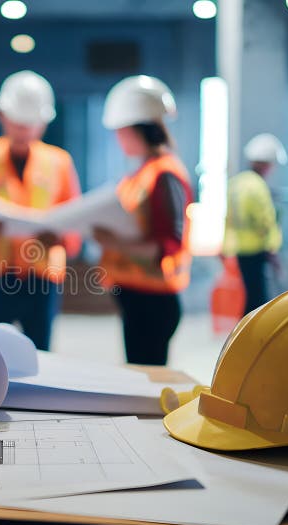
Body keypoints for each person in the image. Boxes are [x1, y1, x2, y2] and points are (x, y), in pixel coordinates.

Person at [0, 71, 82, 350]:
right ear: (2, 116)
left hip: (41, 280)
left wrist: (60, 239)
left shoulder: (60, 163)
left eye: (31, 123)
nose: (24, 130)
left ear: (44, 123)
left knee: (40, 358)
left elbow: (75, 225)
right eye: (19, 122)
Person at [92, 75, 193, 366]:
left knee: (147, 383)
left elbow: (168, 245)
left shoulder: (165, 174)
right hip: (137, 298)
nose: (118, 138)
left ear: (138, 129)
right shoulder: (142, 173)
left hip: (154, 302)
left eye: (120, 131)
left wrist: (115, 242)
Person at [223, 133, 286, 315]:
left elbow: (228, 218)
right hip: (258, 249)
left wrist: (225, 246)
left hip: (240, 248)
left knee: (251, 296)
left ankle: (246, 335)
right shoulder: (258, 186)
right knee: (258, 300)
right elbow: (265, 222)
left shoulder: (236, 183)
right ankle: (251, 338)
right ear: (266, 164)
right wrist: (273, 249)